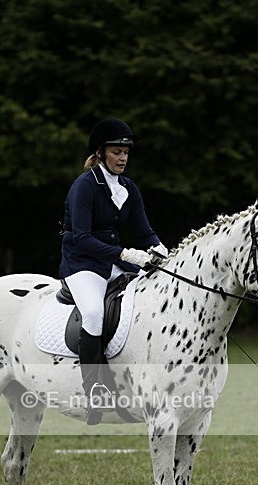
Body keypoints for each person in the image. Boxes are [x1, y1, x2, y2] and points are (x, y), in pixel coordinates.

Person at [59, 117, 167, 424]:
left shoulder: (128, 188)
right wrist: (124, 253)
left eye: (126, 153)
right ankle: (92, 388)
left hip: (114, 264)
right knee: (93, 312)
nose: (122, 158)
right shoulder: (85, 186)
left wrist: (161, 250)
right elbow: (81, 237)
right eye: (116, 152)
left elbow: (144, 231)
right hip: (82, 264)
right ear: (101, 152)